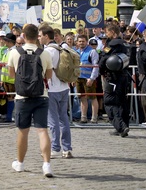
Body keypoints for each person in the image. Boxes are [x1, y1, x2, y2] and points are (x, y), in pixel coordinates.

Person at [8, 23, 54, 178]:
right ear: (37, 36)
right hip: (41, 95)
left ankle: (20, 163)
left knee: (23, 131)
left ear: (24, 36)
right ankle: (47, 165)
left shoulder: (15, 52)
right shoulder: (44, 53)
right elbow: (48, 76)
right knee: (42, 130)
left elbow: (11, 74)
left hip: (22, 97)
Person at [39, 24, 73, 159]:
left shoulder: (47, 52)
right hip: (64, 86)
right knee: (63, 118)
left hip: (52, 88)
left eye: (41, 36)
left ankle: (55, 148)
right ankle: (67, 148)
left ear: (46, 37)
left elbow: (44, 72)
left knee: (53, 120)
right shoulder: (61, 47)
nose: (39, 38)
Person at [98, 23, 132, 139]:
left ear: (112, 32)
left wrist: (101, 71)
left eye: (107, 32)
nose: (106, 35)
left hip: (113, 78)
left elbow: (103, 60)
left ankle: (121, 127)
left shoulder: (111, 44)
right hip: (124, 77)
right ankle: (124, 125)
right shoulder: (125, 44)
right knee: (122, 102)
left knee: (110, 102)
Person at [75, 35, 100, 123]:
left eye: (83, 41)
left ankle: (94, 118)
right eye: (80, 41)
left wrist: (92, 78)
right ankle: (83, 117)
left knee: (92, 98)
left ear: (86, 42)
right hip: (79, 78)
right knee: (82, 98)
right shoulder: (76, 52)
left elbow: (95, 66)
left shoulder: (92, 52)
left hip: (88, 79)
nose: (81, 43)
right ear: (77, 42)